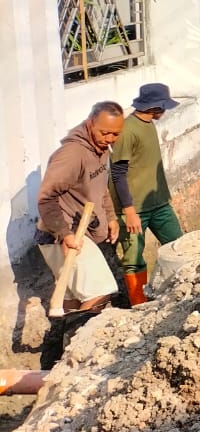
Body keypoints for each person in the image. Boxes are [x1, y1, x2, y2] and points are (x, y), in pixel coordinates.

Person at [35, 102, 125, 363]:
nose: (109, 139)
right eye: (104, 133)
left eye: (115, 134)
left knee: (75, 300)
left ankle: (61, 358)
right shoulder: (72, 155)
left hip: (80, 232)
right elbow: (46, 198)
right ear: (90, 124)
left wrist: (110, 216)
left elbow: (101, 189)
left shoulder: (101, 150)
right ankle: (79, 359)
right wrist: (64, 234)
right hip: (61, 236)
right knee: (100, 292)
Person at [110, 83, 183, 306]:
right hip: (134, 208)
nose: (165, 111)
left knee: (178, 246)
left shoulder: (149, 124)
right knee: (133, 259)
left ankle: (180, 293)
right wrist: (129, 211)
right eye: (164, 107)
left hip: (159, 203)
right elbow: (118, 173)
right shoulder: (128, 131)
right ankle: (139, 305)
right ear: (156, 106)